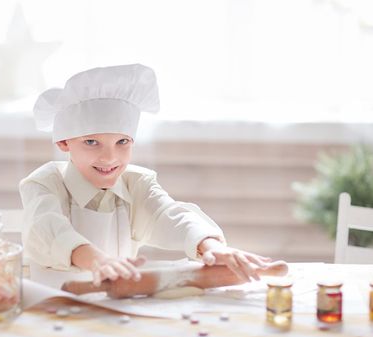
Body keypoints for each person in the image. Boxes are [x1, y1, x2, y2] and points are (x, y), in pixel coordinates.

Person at [19, 64, 272, 289]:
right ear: (64, 143)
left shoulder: (136, 182)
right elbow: (48, 229)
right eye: (91, 142)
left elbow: (169, 215)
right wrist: (99, 261)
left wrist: (211, 246)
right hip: (52, 305)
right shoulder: (43, 183)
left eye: (122, 142)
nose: (110, 157)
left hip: (113, 304)